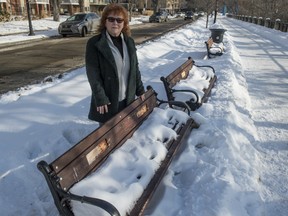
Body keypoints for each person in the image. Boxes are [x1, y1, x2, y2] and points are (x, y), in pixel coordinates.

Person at [85, 3, 145, 124]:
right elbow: (93, 74)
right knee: (108, 137)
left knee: (126, 134)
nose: (115, 23)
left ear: (124, 23)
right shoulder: (95, 43)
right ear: (105, 21)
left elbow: (135, 69)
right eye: (111, 19)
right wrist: (100, 98)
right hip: (108, 101)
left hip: (127, 99)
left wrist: (140, 91)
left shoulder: (129, 42)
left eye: (119, 20)